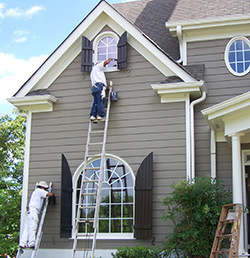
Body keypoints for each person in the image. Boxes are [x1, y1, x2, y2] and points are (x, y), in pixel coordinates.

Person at [19, 181, 54, 249]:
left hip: (30, 211)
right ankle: (31, 243)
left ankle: (22, 243)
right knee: (33, 226)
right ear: (42, 187)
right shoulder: (40, 191)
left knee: (27, 227)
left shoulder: (36, 192)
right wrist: (51, 193)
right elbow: (50, 194)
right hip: (34, 211)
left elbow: (42, 197)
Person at [90, 58, 113, 122]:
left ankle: (93, 115)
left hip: (94, 87)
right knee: (100, 101)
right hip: (100, 86)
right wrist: (109, 60)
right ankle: (100, 115)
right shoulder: (98, 67)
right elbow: (105, 63)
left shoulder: (92, 71)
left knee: (95, 102)